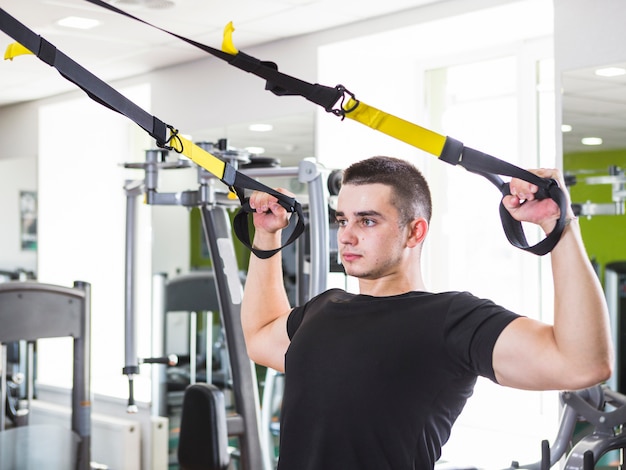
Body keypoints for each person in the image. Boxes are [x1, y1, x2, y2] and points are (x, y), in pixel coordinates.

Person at [240, 155, 613, 470]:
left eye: (367, 221)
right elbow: (260, 335)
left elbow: (582, 364)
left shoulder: (449, 318)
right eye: (343, 220)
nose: (347, 235)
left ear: (415, 232)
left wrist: (558, 223)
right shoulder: (324, 307)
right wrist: (267, 234)